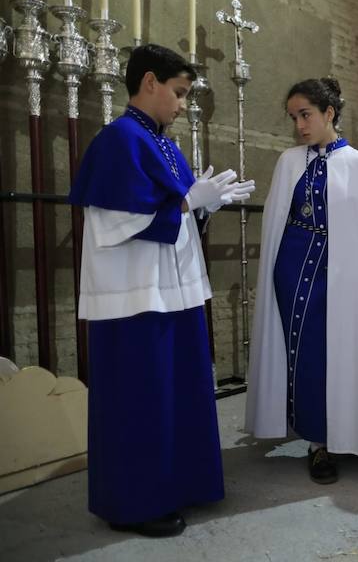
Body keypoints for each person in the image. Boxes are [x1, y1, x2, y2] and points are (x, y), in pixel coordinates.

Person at [69, 44, 255, 537]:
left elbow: (172, 210)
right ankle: (133, 503)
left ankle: (180, 484)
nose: (182, 105)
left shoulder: (164, 144)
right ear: (148, 82)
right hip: (135, 297)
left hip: (173, 292)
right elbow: (112, 221)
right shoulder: (119, 140)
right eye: (178, 93)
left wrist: (201, 204)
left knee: (179, 392)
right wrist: (188, 201)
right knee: (139, 399)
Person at [245, 78, 358, 484]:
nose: (300, 125)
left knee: (349, 354)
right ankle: (318, 444)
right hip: (293, 273)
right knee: (308, 359)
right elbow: (279, 223)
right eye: (294, 117)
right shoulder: (289, 162)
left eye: (306, 115)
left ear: (329, 113)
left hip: (345, 280)